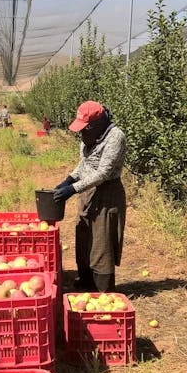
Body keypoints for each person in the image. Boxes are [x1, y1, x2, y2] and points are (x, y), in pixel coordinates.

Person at [52, 101, 127, 292]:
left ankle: (102, 290)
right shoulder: (88, 137)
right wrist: (68, 180)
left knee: (101, 242)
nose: (82, 133)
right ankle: (85, 281)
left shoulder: (115, 137)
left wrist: (73, 189)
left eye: (85, 128)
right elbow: (84, 165)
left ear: (96, 125)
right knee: (84, 236)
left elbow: (103, 173)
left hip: (106, 194)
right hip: (87, 192)